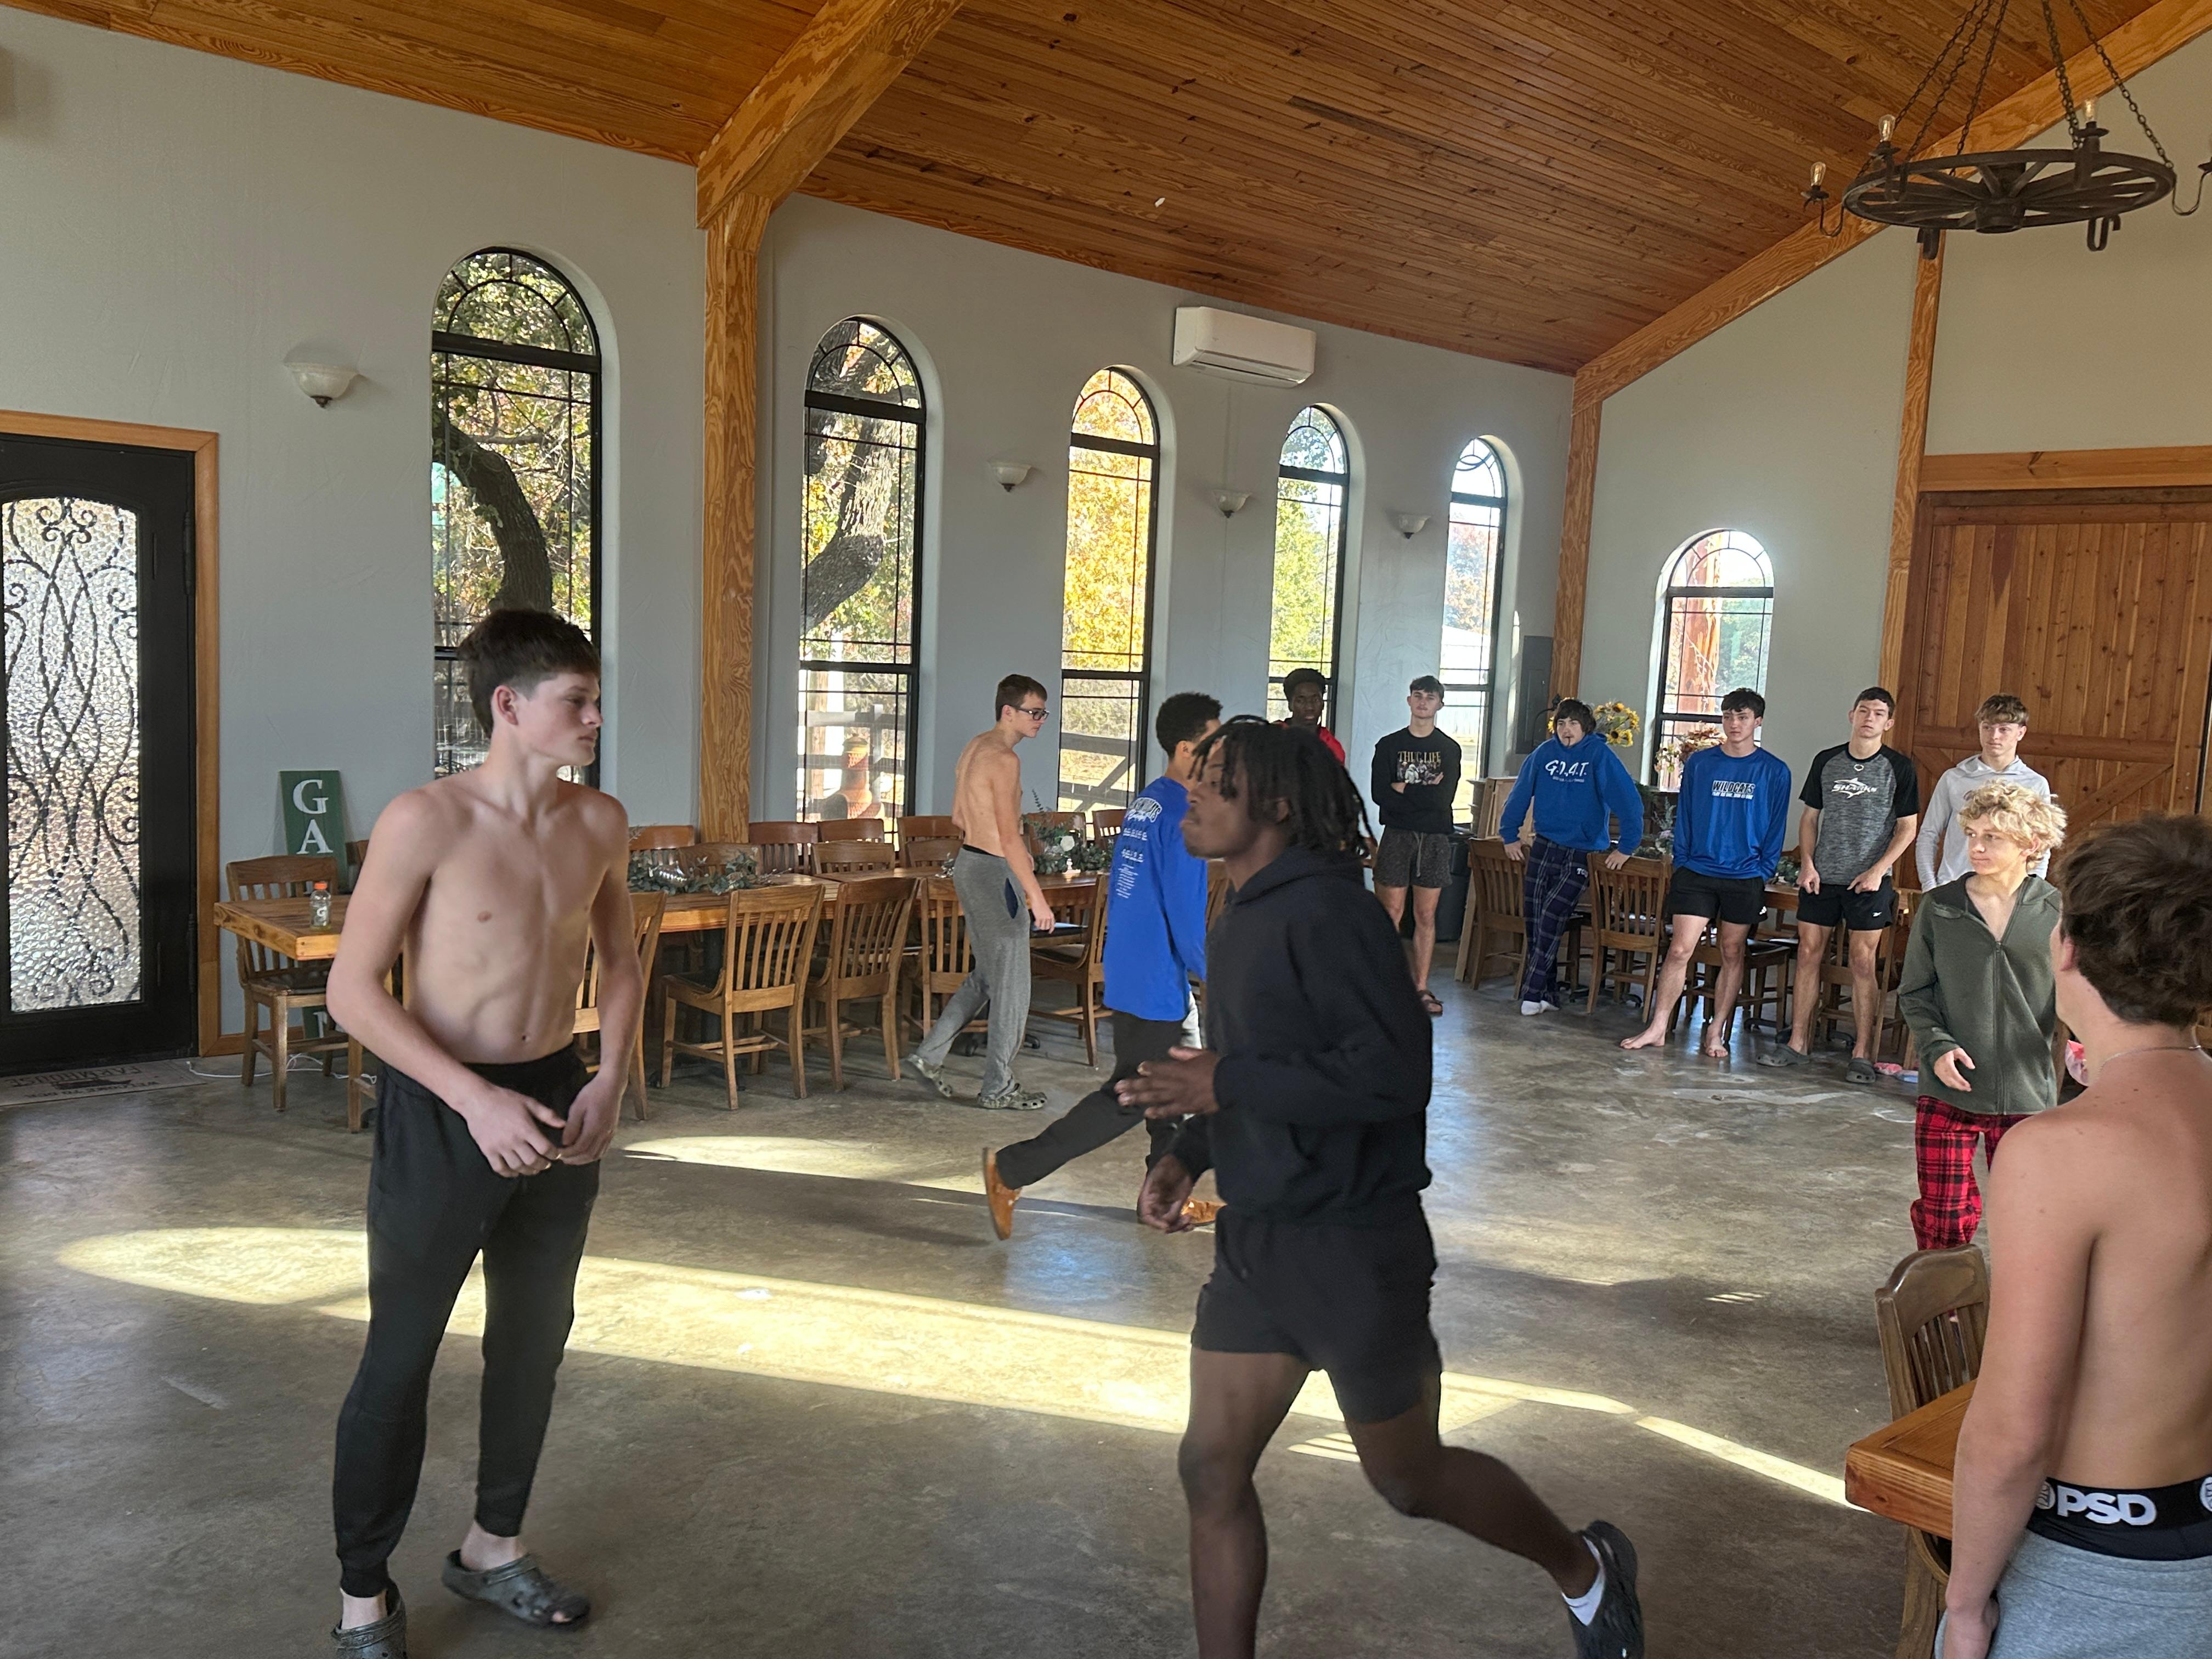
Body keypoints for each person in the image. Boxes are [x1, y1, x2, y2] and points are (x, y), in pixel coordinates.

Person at [1116, 717, 1644, 1659]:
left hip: (1354, 1246)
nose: (1190, 791)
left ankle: (1585, 1565)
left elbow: (1394, 1076)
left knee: (1408, 1477)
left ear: (1277, 805)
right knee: (1211, 1466)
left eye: (1216, 780)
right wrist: (1190, 1149)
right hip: (1260, 1244)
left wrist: (1226, 1083)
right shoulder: (1238, 917)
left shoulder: (1335, 916)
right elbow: (1253, 1065)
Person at [323, 610, 640, 1657]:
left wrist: (609, 1077)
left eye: (596, 700)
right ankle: (363, 1595)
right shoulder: (427, 818)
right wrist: (472, 1098)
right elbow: (352, 990)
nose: (594, 718)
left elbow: (622, 962)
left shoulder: (600, 821)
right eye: (576, 701)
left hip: (556, 1093)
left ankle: (492, 1546)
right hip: (444, 1107)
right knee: (400, 1354)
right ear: (508, 704)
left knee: (532, 1339)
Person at [1938, 813, 2212, 1659]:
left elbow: (2013, 1430)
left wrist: (1966, 1603)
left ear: (2067, 947)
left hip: (2102, 1562)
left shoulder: (2056, 1153)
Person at [979, 691, 1222, 1239]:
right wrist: (1219, 976)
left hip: (1133, 966)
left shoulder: (1148, 803)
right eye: (1217, 742)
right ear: (1188, 749)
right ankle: (1011, 1169)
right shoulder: (1184, 814)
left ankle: (1163, 1199)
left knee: (1167, 1094)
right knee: (1132, 1097)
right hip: (1155, 979)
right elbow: (1186, 916)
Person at [1894, 782, 2067, 1250]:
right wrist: (1937, 1046)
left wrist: (2088, 1043)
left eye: (1993, 837)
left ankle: (2019, 1300)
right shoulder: (1940, 907)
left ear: (2031, 843)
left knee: (2028, 1222)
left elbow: (2077, 995)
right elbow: (1915, 992)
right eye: (1972, 834)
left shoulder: (2058, 912)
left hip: (2026, 1096)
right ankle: (1943, 1297)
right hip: (1947, 1089)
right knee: (1943, 1220)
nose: (1976, 847)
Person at [906, 674, 1059, 1111]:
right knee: (1014, 986)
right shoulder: (1005, 760)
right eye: (1034, 712)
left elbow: (959, 817)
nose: (1041, 720)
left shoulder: (976, 747)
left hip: (969, 865)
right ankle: (999, 1087)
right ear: (1008, 712)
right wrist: (1037, 897)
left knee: (991, 976)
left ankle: (929, 1054)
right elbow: (1010, 838)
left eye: (1044, 712)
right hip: (994, 872)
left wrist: (1000, 846)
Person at [1760, 687, 1920, 1082]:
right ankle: (1798, 1043)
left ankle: (1863, 1053)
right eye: (1864, 711)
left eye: (1878, 713)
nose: (1869, 718)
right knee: (1808, 954)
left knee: (1863, 963)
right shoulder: (1827, 761)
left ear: (1889, 723)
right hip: (1823, 878)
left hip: (1869, 883)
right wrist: (1808, 865)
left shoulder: (1899, 767)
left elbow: (1907, 828)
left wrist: (1878, 870)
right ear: (1852, 715)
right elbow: (1810, 818)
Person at [1621, 689, 1790, 1057]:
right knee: (1680, 949)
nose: (1734, 724)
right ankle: (1658, 1026)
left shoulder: (1775, 771)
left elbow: (1777, 826)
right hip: (1697, 870)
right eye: (1728, 716)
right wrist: (1682, 859)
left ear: (1757, 722)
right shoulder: (1701, 763)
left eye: (1742, 717)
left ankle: (1716, 1031)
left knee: (1732, 951)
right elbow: (1685, 814)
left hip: (1745, 875)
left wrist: (1762, 871)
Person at [1499, 698, 1644, 1016]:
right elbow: (1520, 793)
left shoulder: (1599, 756)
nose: (1567, 730)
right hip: (1545, 845)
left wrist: (1626, 847)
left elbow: (1629, 802)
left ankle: (1532, 991)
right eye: (1561, 723)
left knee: (1553, 914)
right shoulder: (1543, 754)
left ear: (1586, 728)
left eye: (1573, 724)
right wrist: (1509, 834)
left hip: (1582, 851)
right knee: (1535, 919)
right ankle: (1549, 994)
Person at [1371, 674, 1463, 1017]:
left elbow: (1443, 799)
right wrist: (1423, 792)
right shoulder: (1389, 745)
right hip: (1397, 835)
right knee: (1391, 914)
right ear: (1409, 700)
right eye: (1418, 695)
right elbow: (1380, 794)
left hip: (1435, 838)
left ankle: (1421, 986)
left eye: (1430, 697)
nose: (1423, 702)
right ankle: (1385, 984)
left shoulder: (1449, 749)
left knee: (1425, 915)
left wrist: (1405, 789)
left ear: (1440, 704)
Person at [1917, 693, 2053, 889]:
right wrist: (1930, 886)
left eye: (2004, 729)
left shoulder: (2035, 784)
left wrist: (2031, 891)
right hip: (1954, 887)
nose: (1994, 736)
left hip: (2008, 891)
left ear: (2021, 733)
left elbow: (2042, 845)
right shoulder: (1954, 778)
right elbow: (1928, 834)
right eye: (1987, 727)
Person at [1278, 666, 1346, 764]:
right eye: (1301, 701)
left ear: (1323, 704)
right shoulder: (1274, 738)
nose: (1310, 707)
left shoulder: (1332, 747)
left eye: (1316, 700)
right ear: (1290, 704)